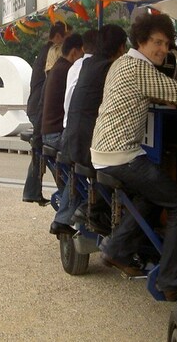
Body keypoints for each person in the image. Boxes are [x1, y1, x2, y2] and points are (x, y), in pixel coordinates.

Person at [91, 12, 177, 301]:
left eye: (167, 44)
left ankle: (116, 249)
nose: (163, 49)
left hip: (103, 151)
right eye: (157, 43)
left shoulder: (122, 62)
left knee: (153, 194)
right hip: (121, 154)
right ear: (141, 41)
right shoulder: (141, 68)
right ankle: (171, 281)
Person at [51, 24, 127, 236]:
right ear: (121, 47)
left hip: (73, 139)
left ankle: (70, 216)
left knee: (91, 173)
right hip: (87, 143)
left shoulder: (88, 63)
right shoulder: (109, 67)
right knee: (124, 172)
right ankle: (93, 214)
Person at [22, 21, 68, 205]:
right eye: (66, 38)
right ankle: (65, 192)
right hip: (39, 108)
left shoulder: (44, 51)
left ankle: (32, 191)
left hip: (37, 107)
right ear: (58, 36)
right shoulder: (53, 53)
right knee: (42, 150)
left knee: (40, 150)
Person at [41, 33, 84, 150]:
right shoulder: (68, 70)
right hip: (56, 135)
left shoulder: (58, 66)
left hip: (48, 133)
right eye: (83, 53)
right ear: (74, 52)